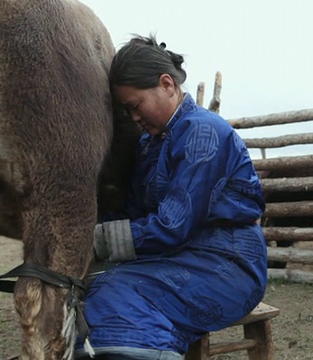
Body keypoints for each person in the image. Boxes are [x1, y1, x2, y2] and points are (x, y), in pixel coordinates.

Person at [74, 35, 268, 360]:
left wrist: (93, 240)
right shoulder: (150, 146)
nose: (133, 118)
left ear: (167, 84)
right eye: (127, 111)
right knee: (95, 286)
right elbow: (134, 214)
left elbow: (170, 226)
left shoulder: (203, 134)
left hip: (228, 266)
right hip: (180, 256)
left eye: (135, 106)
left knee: (118, 292)